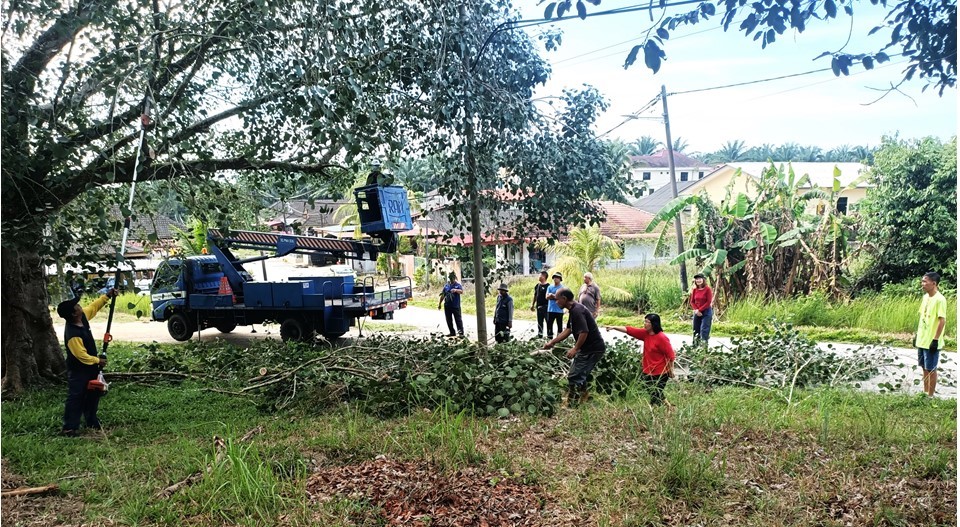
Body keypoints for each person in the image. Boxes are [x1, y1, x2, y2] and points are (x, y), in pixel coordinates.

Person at [56, 287, 118, 436]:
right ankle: (70, 427)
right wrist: (98, 360)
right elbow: (81, 356)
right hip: (78, 370)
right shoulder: (73, 334)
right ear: (73, 313)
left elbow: (93, 307)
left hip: (91, 368)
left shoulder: (82, 318)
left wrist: (107, 296)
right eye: (77, 306)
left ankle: (91, 420)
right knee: (76, 396)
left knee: (94, 393)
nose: (80, 306)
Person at [543, 289, 606, 407]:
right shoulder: (574, 310)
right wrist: (552, 342)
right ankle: (584, 395)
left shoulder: (577, 310)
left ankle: (572, 403)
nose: (556, 302)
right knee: (578, 373)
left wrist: (575, 349)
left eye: (557, 299)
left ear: (564, 299)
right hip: (587, 348)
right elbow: (568, 330)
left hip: (592, 349)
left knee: (574, 375)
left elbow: (584, 332)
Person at [607, 314, 676, 406]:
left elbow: (671, 355)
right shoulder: (645, 334)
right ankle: (668, 407)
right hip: (648, 369)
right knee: (651, 390)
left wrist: (671, 371)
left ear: (653, 324)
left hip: (661, 371)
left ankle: (660, 410)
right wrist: (614, 327)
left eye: (647, 322)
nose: (644, 324)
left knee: (655, 394)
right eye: (645, 321)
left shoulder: (662, 338)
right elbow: (629, 330)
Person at [916, 271, 947, 397]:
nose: (922, 284)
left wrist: (935, 339)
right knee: (924, 367)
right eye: (922, 281)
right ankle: (925, 392)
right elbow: (922, 317)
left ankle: (930, 395)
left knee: (931, 369)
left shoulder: (940, 300)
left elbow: (942, 320)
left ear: (933, 283)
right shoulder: (925, 298)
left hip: (931, 341)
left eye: (925, 281)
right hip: (922, 339)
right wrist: (917, 335)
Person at [690, 273, 714, 345]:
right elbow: (692, 301)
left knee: (704, 330)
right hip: (697, 312)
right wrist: (696, 310)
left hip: (706, 312)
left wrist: (699, 310)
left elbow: (708, 302)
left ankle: (704, 348)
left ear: (703, 280)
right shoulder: (694, 290)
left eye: (700, 279)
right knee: (696, 330)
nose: (698, 280)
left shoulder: (707, 289)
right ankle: (695, 347)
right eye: (697, 279)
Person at [438, 272, 464, 337]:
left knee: (458, 320)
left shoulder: (457, 285)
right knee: (449, 320)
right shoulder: (446, 286)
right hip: (447, 305)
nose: (451, 279)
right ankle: (452, 332)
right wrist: (440, 304)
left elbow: (461, 291)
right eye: (450, 278)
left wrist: (455, 290)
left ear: (454, 278)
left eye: (452, 278)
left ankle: (461, 333)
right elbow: (443, 295)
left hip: (455, 306)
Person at [530, 271, 550, 338]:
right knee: (539, 323)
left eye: (540, 275)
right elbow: (535, 296)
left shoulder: (548, 286)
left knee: (548, 322)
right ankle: (540, 336)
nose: (539, 276)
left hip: (546, 307)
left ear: (544, 277)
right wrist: (532, 305)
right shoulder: (537, 286)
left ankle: (549, 336)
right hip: (539, 307)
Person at [545, 272, 565, 339]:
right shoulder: (550, 287)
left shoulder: (562, 288)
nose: (556, 279)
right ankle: (549, 339)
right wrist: (555, 296)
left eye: (557, 278)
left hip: (559, 310)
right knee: (549, 325)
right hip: (551, 309)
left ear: (560, 279)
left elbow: (562, 298)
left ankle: (559, 339)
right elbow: (547, 297)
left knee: (559, 326)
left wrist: (552, 295)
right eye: (555, 277)